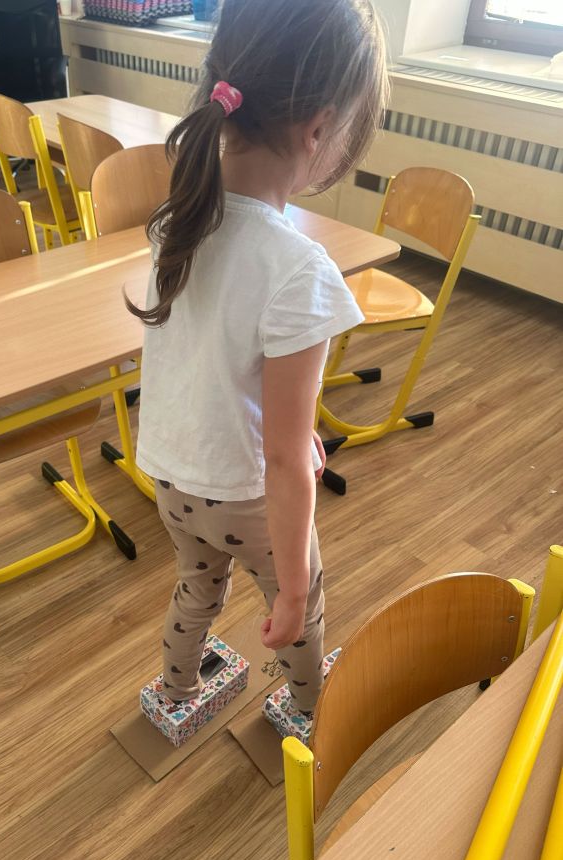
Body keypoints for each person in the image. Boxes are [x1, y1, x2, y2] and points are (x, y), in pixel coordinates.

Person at [129, 0, 388, 738]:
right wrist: (296, 588)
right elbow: (283, 458)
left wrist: (290, 439)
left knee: (196, 589)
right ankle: (309, 710)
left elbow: (212, 368)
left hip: (172, 479)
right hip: (246, 498)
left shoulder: (179, 217)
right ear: (319, 130)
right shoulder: (298, 268)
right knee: (297, 611)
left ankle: (176, 689)